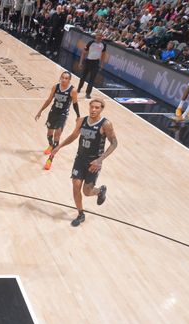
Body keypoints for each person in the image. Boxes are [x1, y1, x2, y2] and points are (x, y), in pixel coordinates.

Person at [50, 99, 118, 227]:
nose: (93, 110)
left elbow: (114, 143)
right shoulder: (82, 121)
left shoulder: (106, 124)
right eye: (92, 107)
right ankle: (81, 214)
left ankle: (100, 191)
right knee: (76, 186)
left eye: (97, 108)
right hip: (80, 159)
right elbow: (73, 136)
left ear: (102, 109)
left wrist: (99, 160)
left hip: (94, 162)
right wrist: (60, 146)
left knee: (87, 192)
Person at [35, 70, 80, 170]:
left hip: (62, 115)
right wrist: (40, 111)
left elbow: (75, 104)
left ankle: (50, 159)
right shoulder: (55, 87)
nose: (64, 80)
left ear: (69, 80)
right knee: (49, 134)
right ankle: (50, 145)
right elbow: (49, 100)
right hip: (53, 112)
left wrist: (78, 116)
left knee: (57, 135)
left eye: (66, 78)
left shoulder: (72, 90)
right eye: (62, 77)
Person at [76, 31, 108, 98]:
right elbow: (84, 53)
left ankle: (88, 93)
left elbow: (103, 55)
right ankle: (79, 88)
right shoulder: (90, 43)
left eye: (100, 36)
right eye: (98, 35)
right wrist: (80, 62)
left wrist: (102, 64)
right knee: (83, 77)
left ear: (102, 37)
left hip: (96, 63)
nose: (99, 37)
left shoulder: (103, 45)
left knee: (92, 79)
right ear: (96, 36)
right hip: (88, 61)